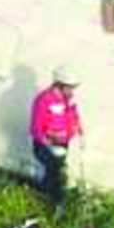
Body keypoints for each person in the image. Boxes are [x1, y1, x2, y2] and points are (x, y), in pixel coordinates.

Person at [30, 66, 83, 205]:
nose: (72, 91)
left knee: (56, 172)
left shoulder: (69, 100)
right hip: (45, 145)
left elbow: (74, 116)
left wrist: (78, 129)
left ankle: (47, 196)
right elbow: (36, 127)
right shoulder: (44, 100)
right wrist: (47, 142)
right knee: (54, 171)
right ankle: (53, 200)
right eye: (69, 87)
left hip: (62, 144)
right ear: (60, 84)